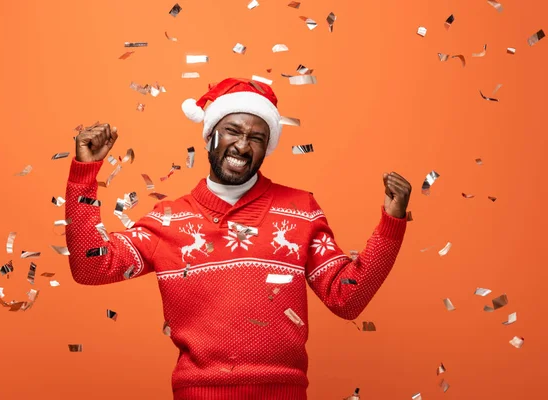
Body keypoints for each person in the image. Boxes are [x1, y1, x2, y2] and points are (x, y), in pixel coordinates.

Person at [65, 77, 412, 400]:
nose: (243, 146)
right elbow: (91, 267)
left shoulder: (300, 209)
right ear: (210, 134)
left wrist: (391, 224)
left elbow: (346, 298)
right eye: (233, 131)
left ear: (267, 147)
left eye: (257, 138)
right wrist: (85, 174)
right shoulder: (168, 221)